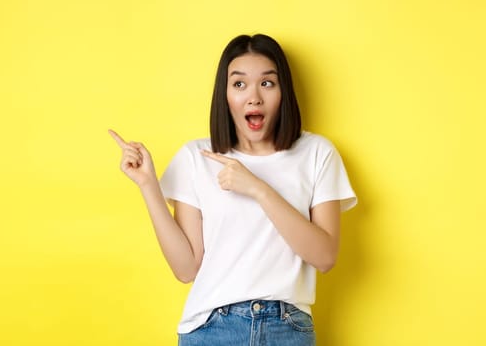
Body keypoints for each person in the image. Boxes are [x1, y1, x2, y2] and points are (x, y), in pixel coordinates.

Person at [108, 34, 356, 345]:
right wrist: (148, 185)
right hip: (212, 329)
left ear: (284, 92)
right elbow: (186, 269)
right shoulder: (195, 158)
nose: (254, 97)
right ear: (224, 95)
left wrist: (257, 188)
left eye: (267, 83)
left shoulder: (317, 153)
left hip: (287, 329)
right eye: (239, 84)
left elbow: (325, 256)